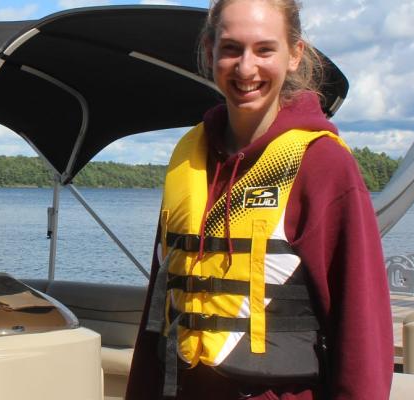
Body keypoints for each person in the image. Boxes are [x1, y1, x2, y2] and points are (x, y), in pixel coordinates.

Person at [124, 0, 392, 399]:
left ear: (295, 55)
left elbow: (362, 330)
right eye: (231, 48)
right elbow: (158, 307)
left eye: (264, 49)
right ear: (210, 50)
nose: (246, 68)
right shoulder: (189, 156)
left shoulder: (323, 164)